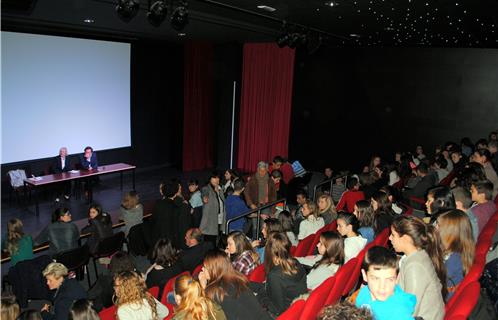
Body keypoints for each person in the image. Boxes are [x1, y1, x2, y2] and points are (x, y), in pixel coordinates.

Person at [390, 215, 446, 320]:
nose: (389, 238)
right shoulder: (417, 255)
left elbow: (410, 310)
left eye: (393, 235)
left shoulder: (415, 267)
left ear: (406, 238)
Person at [199, 251, 271, 320]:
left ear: (214, 270)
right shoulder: (237, 278)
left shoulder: (215, 292)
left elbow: (208, 313)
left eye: (205, 267)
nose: (202, 269)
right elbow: (261, 286)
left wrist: (203, 287)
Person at [253, 232, 307, 317]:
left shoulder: (275, 275)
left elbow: (276, 309)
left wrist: (260, 296)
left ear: (270, 251)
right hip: (296, 310)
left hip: (283, 314)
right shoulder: (296, 262)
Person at [356, 246, 416, 320]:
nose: (382, 287)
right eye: (375, 279)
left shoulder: (399, 313)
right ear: (364, 275)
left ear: (397, 278)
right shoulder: (364, 293)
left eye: (389, 279)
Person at [436, 210, 475, 298]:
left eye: (439, 225)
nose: (436, 228)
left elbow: (435, 281)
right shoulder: (457, 250)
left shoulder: (454, 259)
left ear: (450, 232)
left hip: (441, 299)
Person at [244, 162, 277, 238]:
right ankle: (255, 241)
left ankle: (262, 242)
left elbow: (274, 196)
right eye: (260, 170)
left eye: (264, 171)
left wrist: (272, 210)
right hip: (255, 205)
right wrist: (251, 204)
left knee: (264, 226)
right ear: (257, 170)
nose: (262, 172)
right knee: (255, 226)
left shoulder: (270, 180)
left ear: (267, 170)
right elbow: (246, 192)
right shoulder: (253, 179)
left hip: (266, 205)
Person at [149, 180, 181, 249]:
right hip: (171, 238)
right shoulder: (178, 205)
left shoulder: (158, 204)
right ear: (175, 193)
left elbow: (153, 220)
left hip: (160, 237)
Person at [200, 171, 226, 244]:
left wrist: (219, 191)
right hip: (210, 224)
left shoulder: (220, 190)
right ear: (210, 179)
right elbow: (204, 194)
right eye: (214, 178)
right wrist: (204, 197)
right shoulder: (206, 189)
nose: (217, 180)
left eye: (218, 178)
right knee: (210, 246)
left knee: (217, 244)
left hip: (220, 221)